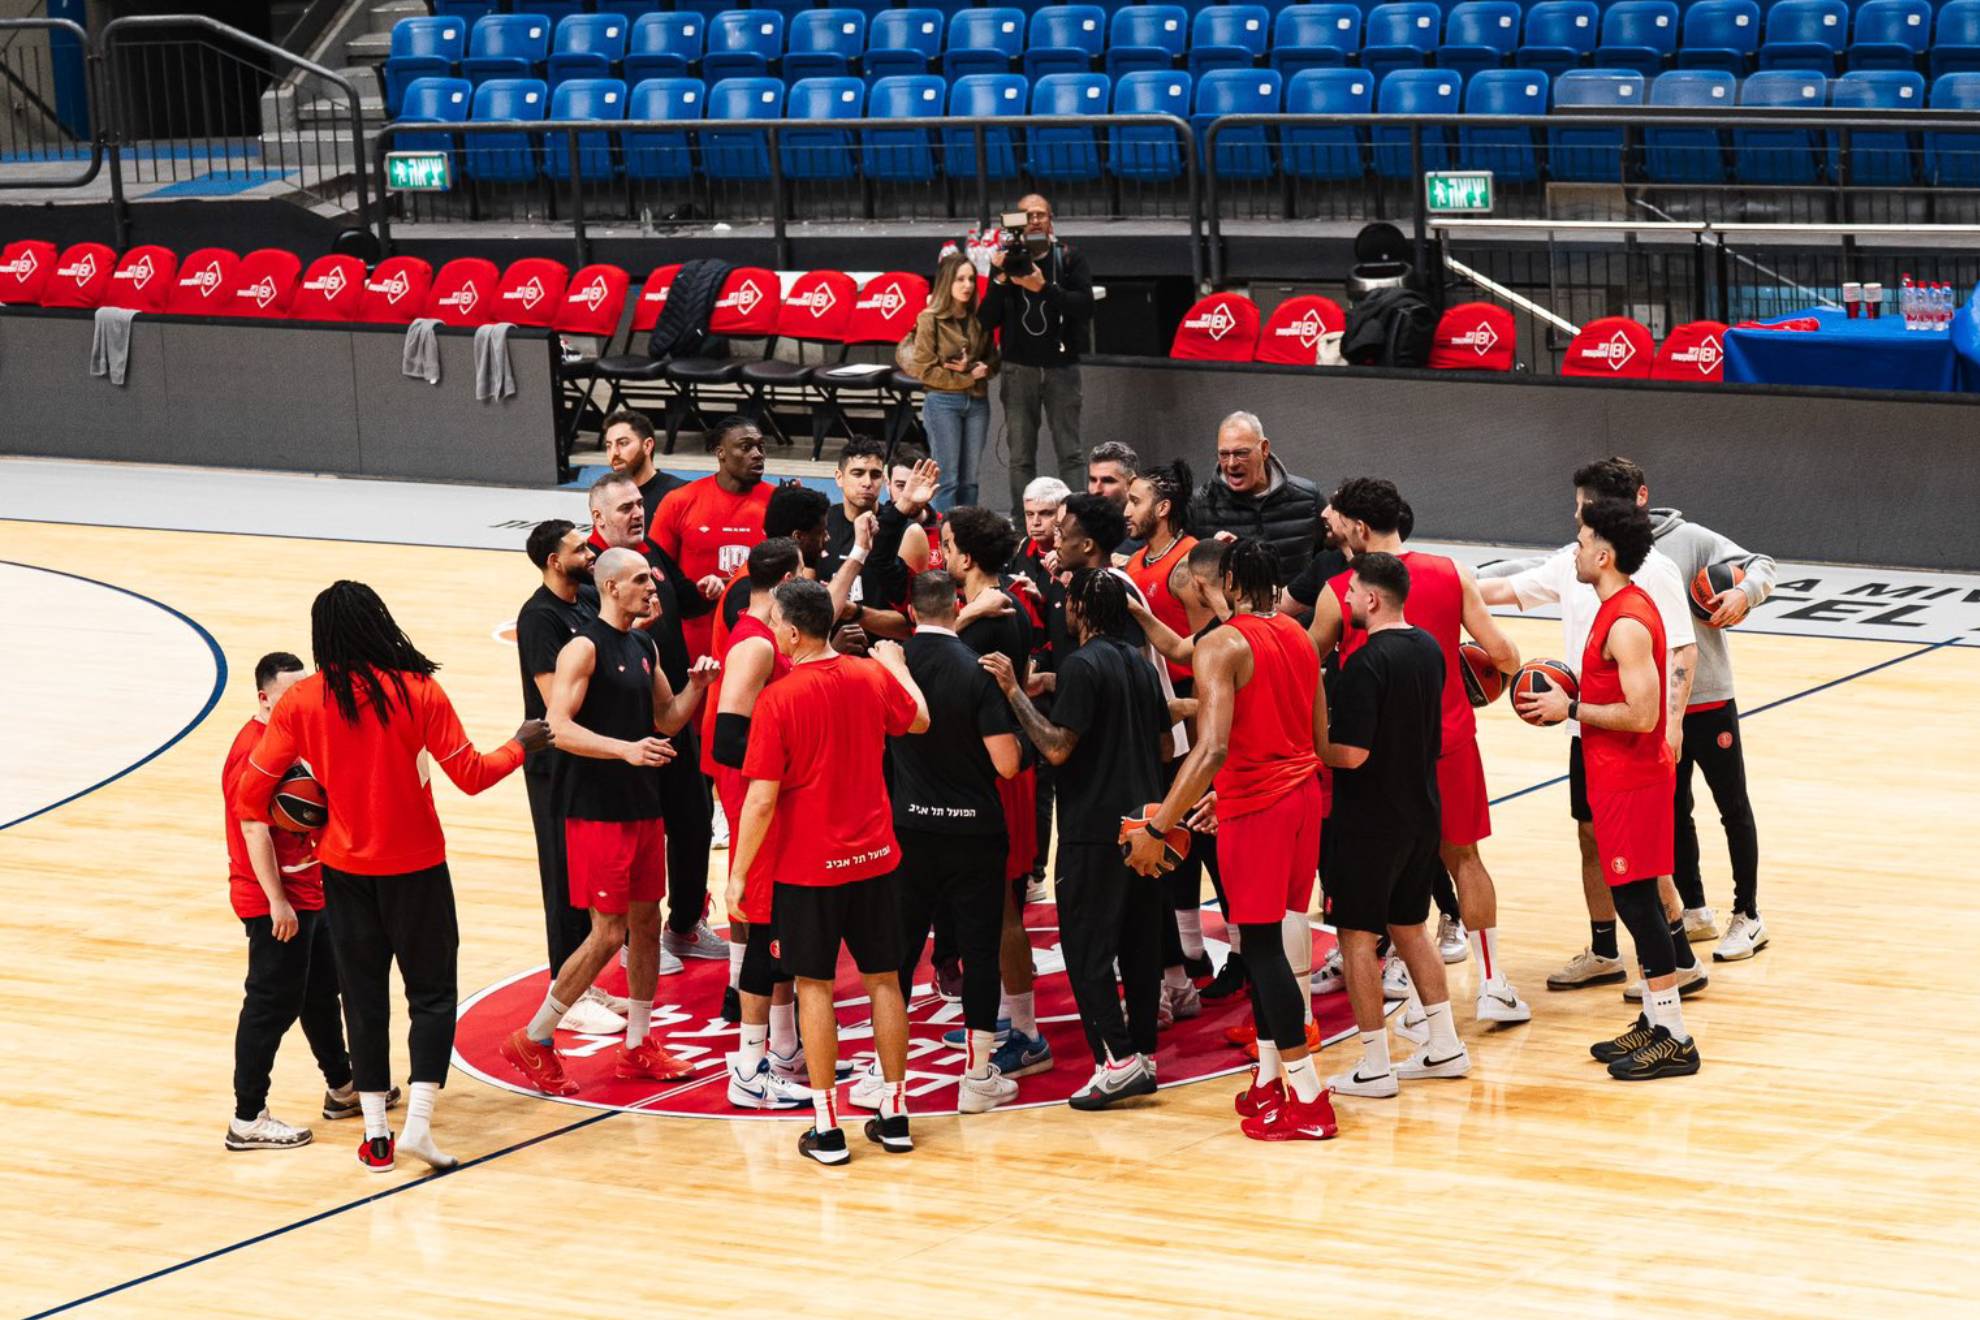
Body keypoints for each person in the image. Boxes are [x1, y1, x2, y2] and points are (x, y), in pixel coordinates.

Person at [234, 582, 548, 1173]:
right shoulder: (417, 690)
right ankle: (421, 1128)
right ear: (380, 622)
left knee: (363, 996)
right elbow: (473, 776)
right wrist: (521, 744)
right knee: (431, 995)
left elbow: (252, 795)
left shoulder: (300, 701)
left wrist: (309, 807)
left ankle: (376, 1135)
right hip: (418, 869)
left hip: (344, 872)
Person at [1125, 539, 1336, 1140]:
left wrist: (1161, 823)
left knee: (1261, 949)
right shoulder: (1299, 635)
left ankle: (1311, 1098)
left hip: (1262, 809)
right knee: (1273, 938)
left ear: (1213, 586)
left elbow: (1213, 747)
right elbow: (1315, 738)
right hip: (1301, 801)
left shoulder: (1221, 643)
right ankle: (1271, 1078)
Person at [1477, 464, 1705, 1001]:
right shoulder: (1575, 568)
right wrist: (1436, 585)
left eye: (1580, 509)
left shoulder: (1646, 586)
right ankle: (1608, 953)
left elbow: (1682, 650)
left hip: (1628, 738)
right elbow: (1505, 588)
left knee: (1642, 867)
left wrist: (1670, 724)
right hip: (1592, 739)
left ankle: (1675, 970)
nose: (1573, 517)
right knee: (1595, 843)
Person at [499, 549, 719, 1096]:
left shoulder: (643, 644)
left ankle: (638, 1044)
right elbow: (558, 727)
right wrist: (625, 751)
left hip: (642, 804)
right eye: (642, 579)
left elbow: (666, 718)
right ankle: (535, 1037)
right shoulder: (583, 647)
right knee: (607, 932)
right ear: (612, 587)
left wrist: (698, 685)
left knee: (648, 924)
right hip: (596, 810)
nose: (653, 587)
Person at [727, 580, 931, 1166]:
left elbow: (761, 800)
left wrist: (739, 876)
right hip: (876, 861)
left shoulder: (778, 699)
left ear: (792, 633)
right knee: (884, 981)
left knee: (814, 988)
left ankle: (828, 1126)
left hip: (808, 870)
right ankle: (894, 1115)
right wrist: (894, 663)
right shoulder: (870, 676)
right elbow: (917, 722)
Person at [1313, 479, 1529, 1025]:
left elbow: (1300, 665)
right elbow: (1504, 654)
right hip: (1449, 742)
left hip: (1374, 760)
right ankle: (1492, 985)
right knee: (1465, 859)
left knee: (1380, 878)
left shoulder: (1342, 589)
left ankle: (1407, 991)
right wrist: (1468, 687)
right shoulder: (1451, 572)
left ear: (1359, 529)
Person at [1516, 500, 1702, 1080]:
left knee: (1639, 903)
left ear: (1605, 553)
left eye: (1580, 539)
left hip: (1633, 780)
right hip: (1614, 777)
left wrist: (1567, 706)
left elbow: (1644, 715)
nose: (1574, 548)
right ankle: (1655, 1016)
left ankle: (1674, 1035)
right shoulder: (1612, 607)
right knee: (1634, 899)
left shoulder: (1625, 621)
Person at [982, 570, 1171, 1111]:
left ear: (1084, 609)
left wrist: (1016, 692)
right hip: (1146, 824)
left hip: (1095, 832)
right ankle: (1143, 1055)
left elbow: (1058, 748)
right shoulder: (1136, 662)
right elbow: (1161, 743)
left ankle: (1115, 1060)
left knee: (1088, 951)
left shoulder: (1084, 664)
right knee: (1139, 948)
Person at [1320, 552, 1473, 1099]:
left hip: (1370, 821)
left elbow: (1352, 755)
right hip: (1421, 811)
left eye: (1352, 591)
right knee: (1410, 926)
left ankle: (1374, 1065)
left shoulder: (1365, 664)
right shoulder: (1429, 649)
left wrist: (1310, 744)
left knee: (1358, 938)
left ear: (1372, 599)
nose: (1345, 599)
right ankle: (1444, 1044)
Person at [223, 651, 377, 1152]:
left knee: (320, 992)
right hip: (275, 901)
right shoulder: (253, 749)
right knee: (271, 1004)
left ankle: (342, 1086)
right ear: (265, 698)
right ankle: (247, 1118)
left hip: (311, 889)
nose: (302, 699)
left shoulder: (296, 738)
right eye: (291, 692)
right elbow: (253, 828)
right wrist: (277, 902)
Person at [890, 570, 1025, 1112]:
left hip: (909, 830)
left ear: (911, 610)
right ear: (958, 605)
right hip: (973, 831)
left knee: (898, 954)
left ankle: (885, 1071)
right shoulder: (976, 671)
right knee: (978, 951)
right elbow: (1008, 764)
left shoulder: (892, 667)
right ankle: (977, 1077)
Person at [588, 473, 725, 973]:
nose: (638, 512)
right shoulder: (593, 570)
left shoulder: (651, 556)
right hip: (625, 726)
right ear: (599, 518)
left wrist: (706, 592)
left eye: (640, 503)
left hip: (673, 712)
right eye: (625, 507)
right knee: (637, 838)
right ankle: (629, 937)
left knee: (692, 820)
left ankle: (685, 925)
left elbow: (683, 599)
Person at [1638, 473, 1776, 960]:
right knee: (1674, 809)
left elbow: (1761, 564)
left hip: (1710, 697)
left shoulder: (1690, 539)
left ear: (1641, 497)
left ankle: (1749, 914)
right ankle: (1695, 908)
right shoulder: (1608, 550)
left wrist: (1745, 593)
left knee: (1732, 807)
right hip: (1656, 706)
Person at [940, 506, 1053, 1080]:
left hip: (998, 770)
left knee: (1003, 911)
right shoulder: (1012, 601)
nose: (943, 552)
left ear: (966, 555)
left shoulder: (985, 617)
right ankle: (1014, 1016)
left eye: (949, 544)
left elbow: (935, 667)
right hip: (1008, 765)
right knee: (998, 907)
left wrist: (958, 622)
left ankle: (1028, 1034)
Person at [515, 520, 625, 1033]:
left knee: (584, 874)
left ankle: (585, 981)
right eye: (579, 547)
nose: (590, 550)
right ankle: (565, 984)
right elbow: (552, 694)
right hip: (554, 762)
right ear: (554, 560)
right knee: (561, 876)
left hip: (586, 757)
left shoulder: (582, 599)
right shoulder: (539, 617)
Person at [981, 193, 1094, 514]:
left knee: (1070, 453)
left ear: (1050, 219)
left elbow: (1084, 307)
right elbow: (986, 320)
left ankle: (1077, 521)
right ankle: (1021, 526)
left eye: (1040, 214)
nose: (1034, 221)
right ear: (1015, 223)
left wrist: (1044, 288)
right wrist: (1001, 278)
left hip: (1062, 367)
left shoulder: (1069, 258)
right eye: (1027, 216)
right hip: (1019, 368)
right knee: (1020, 457)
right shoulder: (1007, 261)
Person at [650, 415, 773, 661]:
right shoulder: (680, 501)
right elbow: (657, 573)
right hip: (694, 638)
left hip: (758, 638)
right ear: (721, 453)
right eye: (746, 447)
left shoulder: (777, 502)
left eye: (760, 446)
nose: (758, 454)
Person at [908, 251, 999, 512]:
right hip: (943, 402)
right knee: (947, 479)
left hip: (978, 402)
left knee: (970, 480)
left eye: (971, 279)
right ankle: (944, 537)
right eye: (960, 279)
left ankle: (969, 532)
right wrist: (966, 377)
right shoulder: (929, 319)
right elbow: (924, 370)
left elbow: (993, 359)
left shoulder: (979, 319)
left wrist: (984, 368)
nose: (967, 285)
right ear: (947, 282)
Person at [1189, 411, 1326, 583]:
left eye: (1241, 453)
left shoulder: (1308, 498)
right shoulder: (1199, 505)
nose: (1231, 464)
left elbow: (1329, 564)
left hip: (1296, 610)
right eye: (1224, 455)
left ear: (1264, 449)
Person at [818, 436, 887, 589]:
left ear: (883, 479)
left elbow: (913, 610)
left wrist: (856, 613)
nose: (867, 483)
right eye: (858, 473)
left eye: (875, 475)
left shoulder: (899, 529)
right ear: (839, 477)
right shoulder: (819, 524)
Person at [601, 406, 684, 527]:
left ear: (647, 446)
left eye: (623, 443)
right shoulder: (607, 496)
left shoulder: (681, 493)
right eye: (609, 446)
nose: (614, 453)